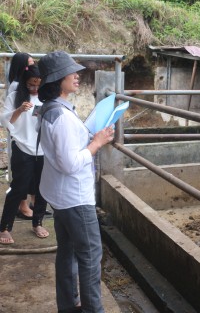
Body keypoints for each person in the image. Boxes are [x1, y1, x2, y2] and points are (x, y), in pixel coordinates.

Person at [38, 52, 114, 313]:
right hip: (75, 198)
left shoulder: (51, 109)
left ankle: (69, 305)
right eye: (71, 72)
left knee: (68, 252)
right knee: (91, 257)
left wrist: (89, 136)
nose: (77, 75)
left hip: (60, 196)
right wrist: (96, 143)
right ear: (58, 79)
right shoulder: (62, 118)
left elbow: (62, 152)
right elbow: (70, 164)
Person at [0, 65, 49, 244]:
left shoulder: (47, 98)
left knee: (42, 188)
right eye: (31, 85)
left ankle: (37, 223)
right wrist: (19, 110)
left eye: (38, 85)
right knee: (18, 188)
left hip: (43, 150)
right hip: (22, 148)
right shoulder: (15, 97)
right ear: (24, 83)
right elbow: (5, 121)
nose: (35, 89)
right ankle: (4, 227)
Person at [4, 52, 37, 219]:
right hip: (21, 136)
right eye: (28, 65)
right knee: (21, 177)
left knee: (32, 177)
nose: (32, 67)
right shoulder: (17, 87)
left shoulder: (26, 84)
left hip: (31, 137)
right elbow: (11, 117)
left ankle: (31, 205)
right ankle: (22, 206)